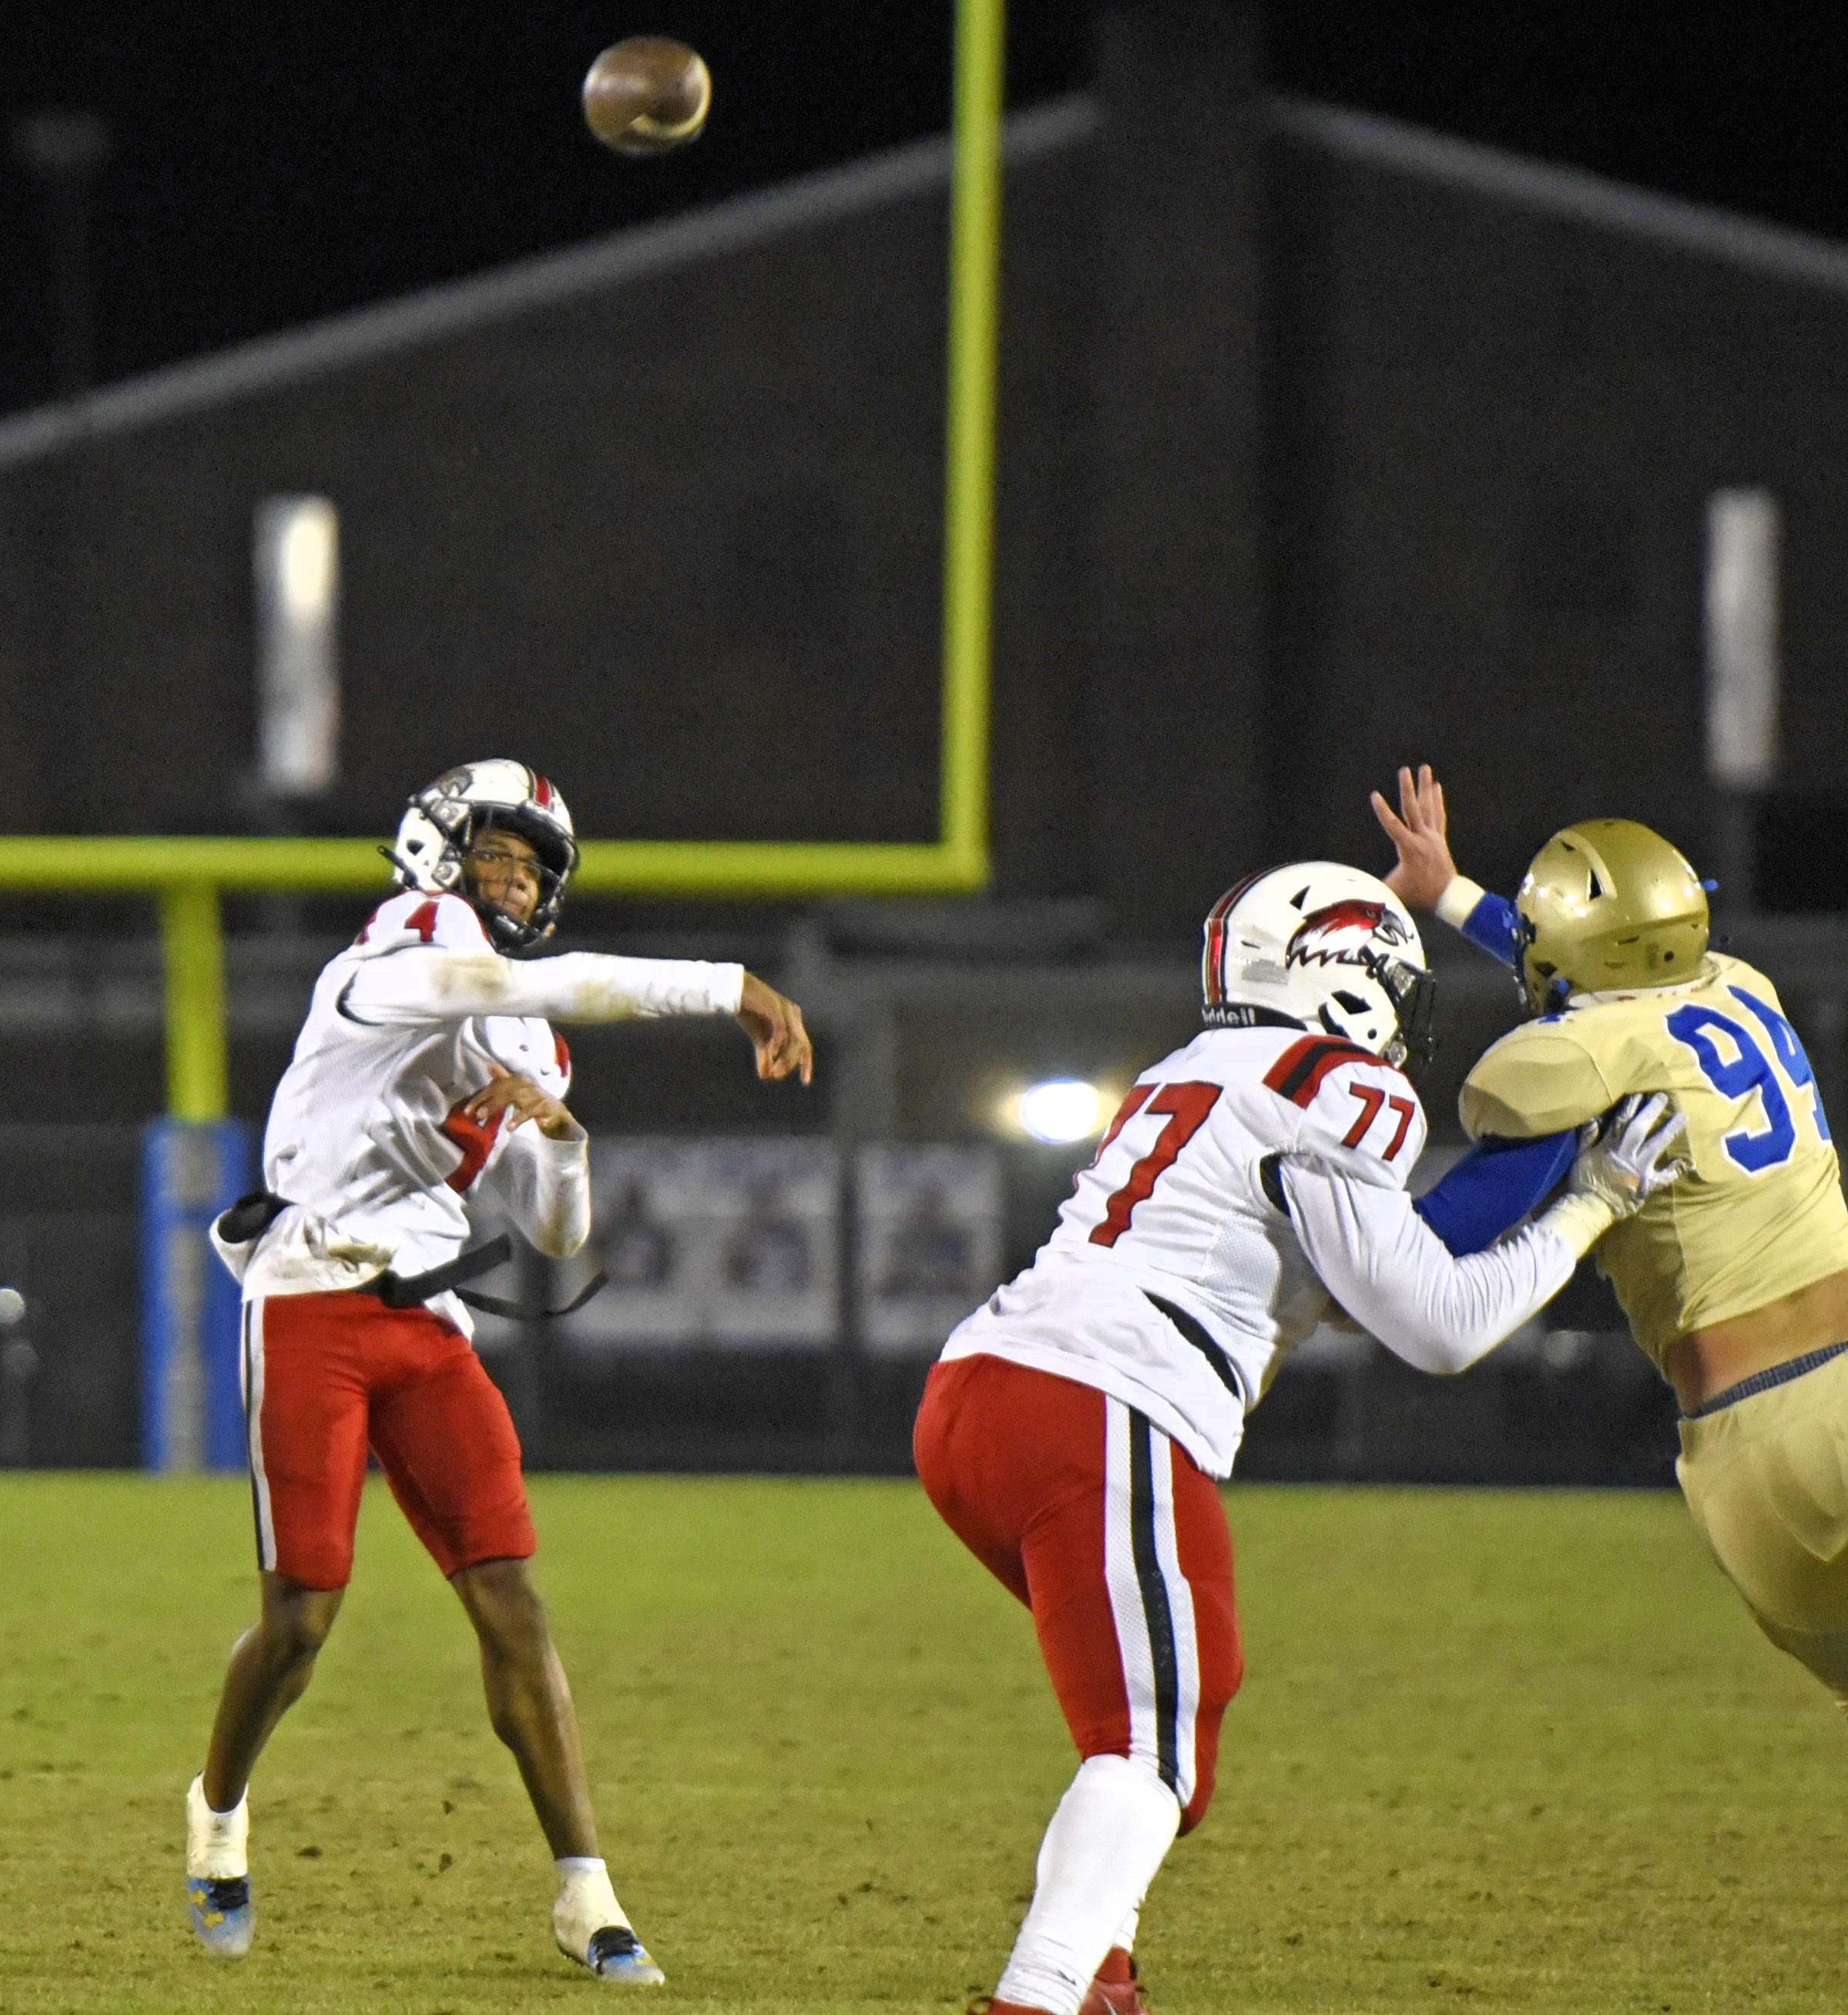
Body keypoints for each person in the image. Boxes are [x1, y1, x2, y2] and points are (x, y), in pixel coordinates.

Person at [915, 859, 1683, 2015]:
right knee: (1153, 1739)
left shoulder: (1196, 1068)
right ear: (1344, 976)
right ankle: (1039, 1996)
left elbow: (1360, 1284)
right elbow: (1439, 1326)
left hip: (978, 1399)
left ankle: (1100, 1974)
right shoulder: (1333, 1080)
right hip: (1099, 1401)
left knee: (1151, 1713)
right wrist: (1594, 1200)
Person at [183, 759, 814, 1984]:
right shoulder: (390, 958)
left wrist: (560, 1135)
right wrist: (727, 982)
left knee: (511, 1599)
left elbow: (553, 1230)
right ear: (437, 852)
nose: (515, 881)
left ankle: (587, 1892)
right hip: (311, 1299)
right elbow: (535, 979)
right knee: (302, 1617)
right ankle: (216, 1808)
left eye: (532, 868)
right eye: (495, 855)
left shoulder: (525, 1028)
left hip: (427, 1320)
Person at [1373, 770, 1848, 1706]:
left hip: (1768, 1432)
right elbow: (1594, 964)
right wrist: (1451, 893)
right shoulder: (1740, 988)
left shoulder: (1587, 1062)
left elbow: (1434, 1243)